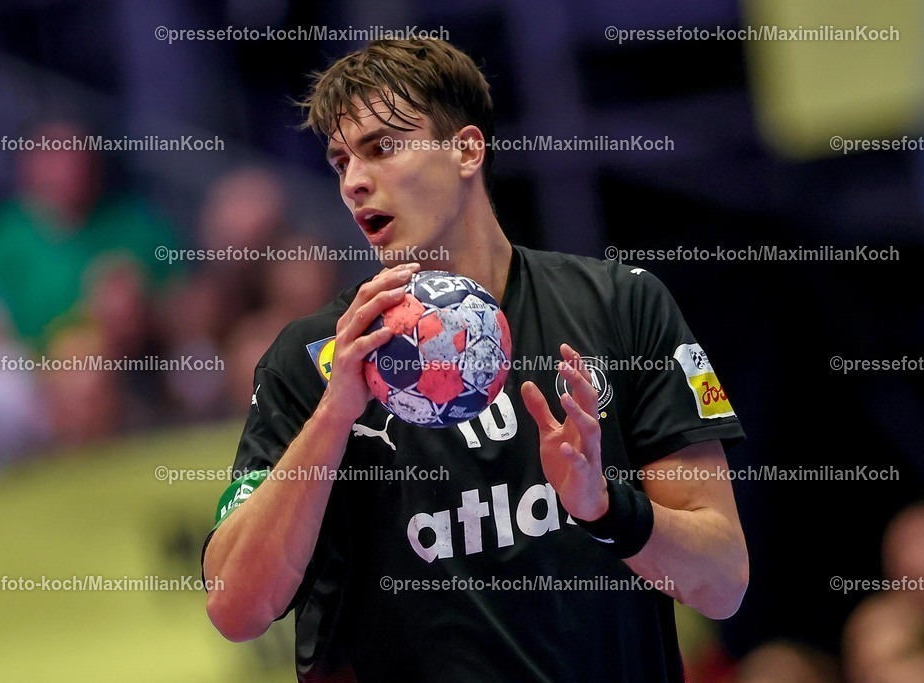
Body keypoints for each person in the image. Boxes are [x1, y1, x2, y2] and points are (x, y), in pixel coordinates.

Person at [202, 38, 748, 682]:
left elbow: (722, 584)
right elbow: (236, 609)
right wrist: (334, 416)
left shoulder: (622, 305)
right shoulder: (314, 358)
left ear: (465, 149)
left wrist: (605, 507)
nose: (353, 181)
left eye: (382, 147)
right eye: (339, 159)